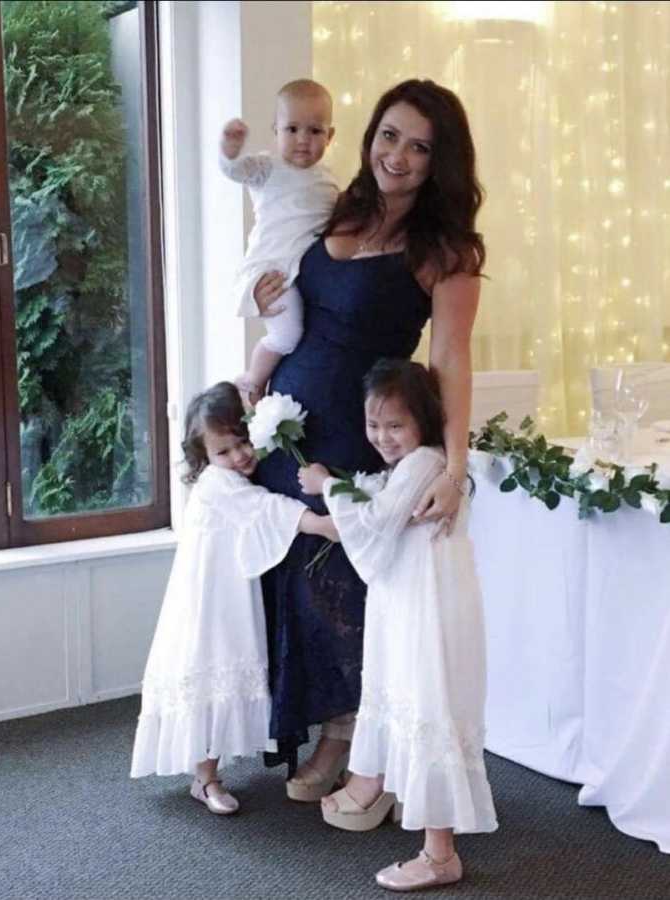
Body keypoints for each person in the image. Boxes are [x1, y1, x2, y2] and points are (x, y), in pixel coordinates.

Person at [252, 78, 484, 802]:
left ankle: (346, 735)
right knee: (285, 575)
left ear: (439, 162)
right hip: (288, 422)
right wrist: (263, 298)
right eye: (389, 135)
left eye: (420, 146)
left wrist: (452, 463)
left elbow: (449, 359)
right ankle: (299, 720)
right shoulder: (335, 206)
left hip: (362, 432)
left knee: (338, 587)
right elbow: (282, 276)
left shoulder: (445, 250)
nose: (399, 155)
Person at [298, 359, 497, 892]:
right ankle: (430, 836)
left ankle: (440, 854)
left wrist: (325, 487)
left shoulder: (425, 463)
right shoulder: (414, 465)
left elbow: (376, 525)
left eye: (395, 425)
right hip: (412, 602)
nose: (382, 437)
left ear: (423, 421)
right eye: (373, 424)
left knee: (430, 707)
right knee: (415, 707)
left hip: (427, 609)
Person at [129, 382, 338, 814]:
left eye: (243, 443)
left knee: (223, 673)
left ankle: (207, 773)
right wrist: (320, 524)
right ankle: (204, 779)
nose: (239, 456)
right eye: (224, 452)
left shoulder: (234, 475)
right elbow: (263, 509)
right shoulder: (216, 484)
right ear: (206, 458)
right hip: (209, 603)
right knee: (211, 672)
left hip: (228, 594)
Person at [219, 79, 339, 408]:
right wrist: (230, 149)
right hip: (272, 271)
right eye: (292, 129)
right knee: (286, 335)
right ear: (276, 131)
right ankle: (252, 380)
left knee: (301, 330)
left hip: (302, 272)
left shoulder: (328, 179)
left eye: (315, 131)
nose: (303, 140)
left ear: (330, 136)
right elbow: (233, 171)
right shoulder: (268, 167)